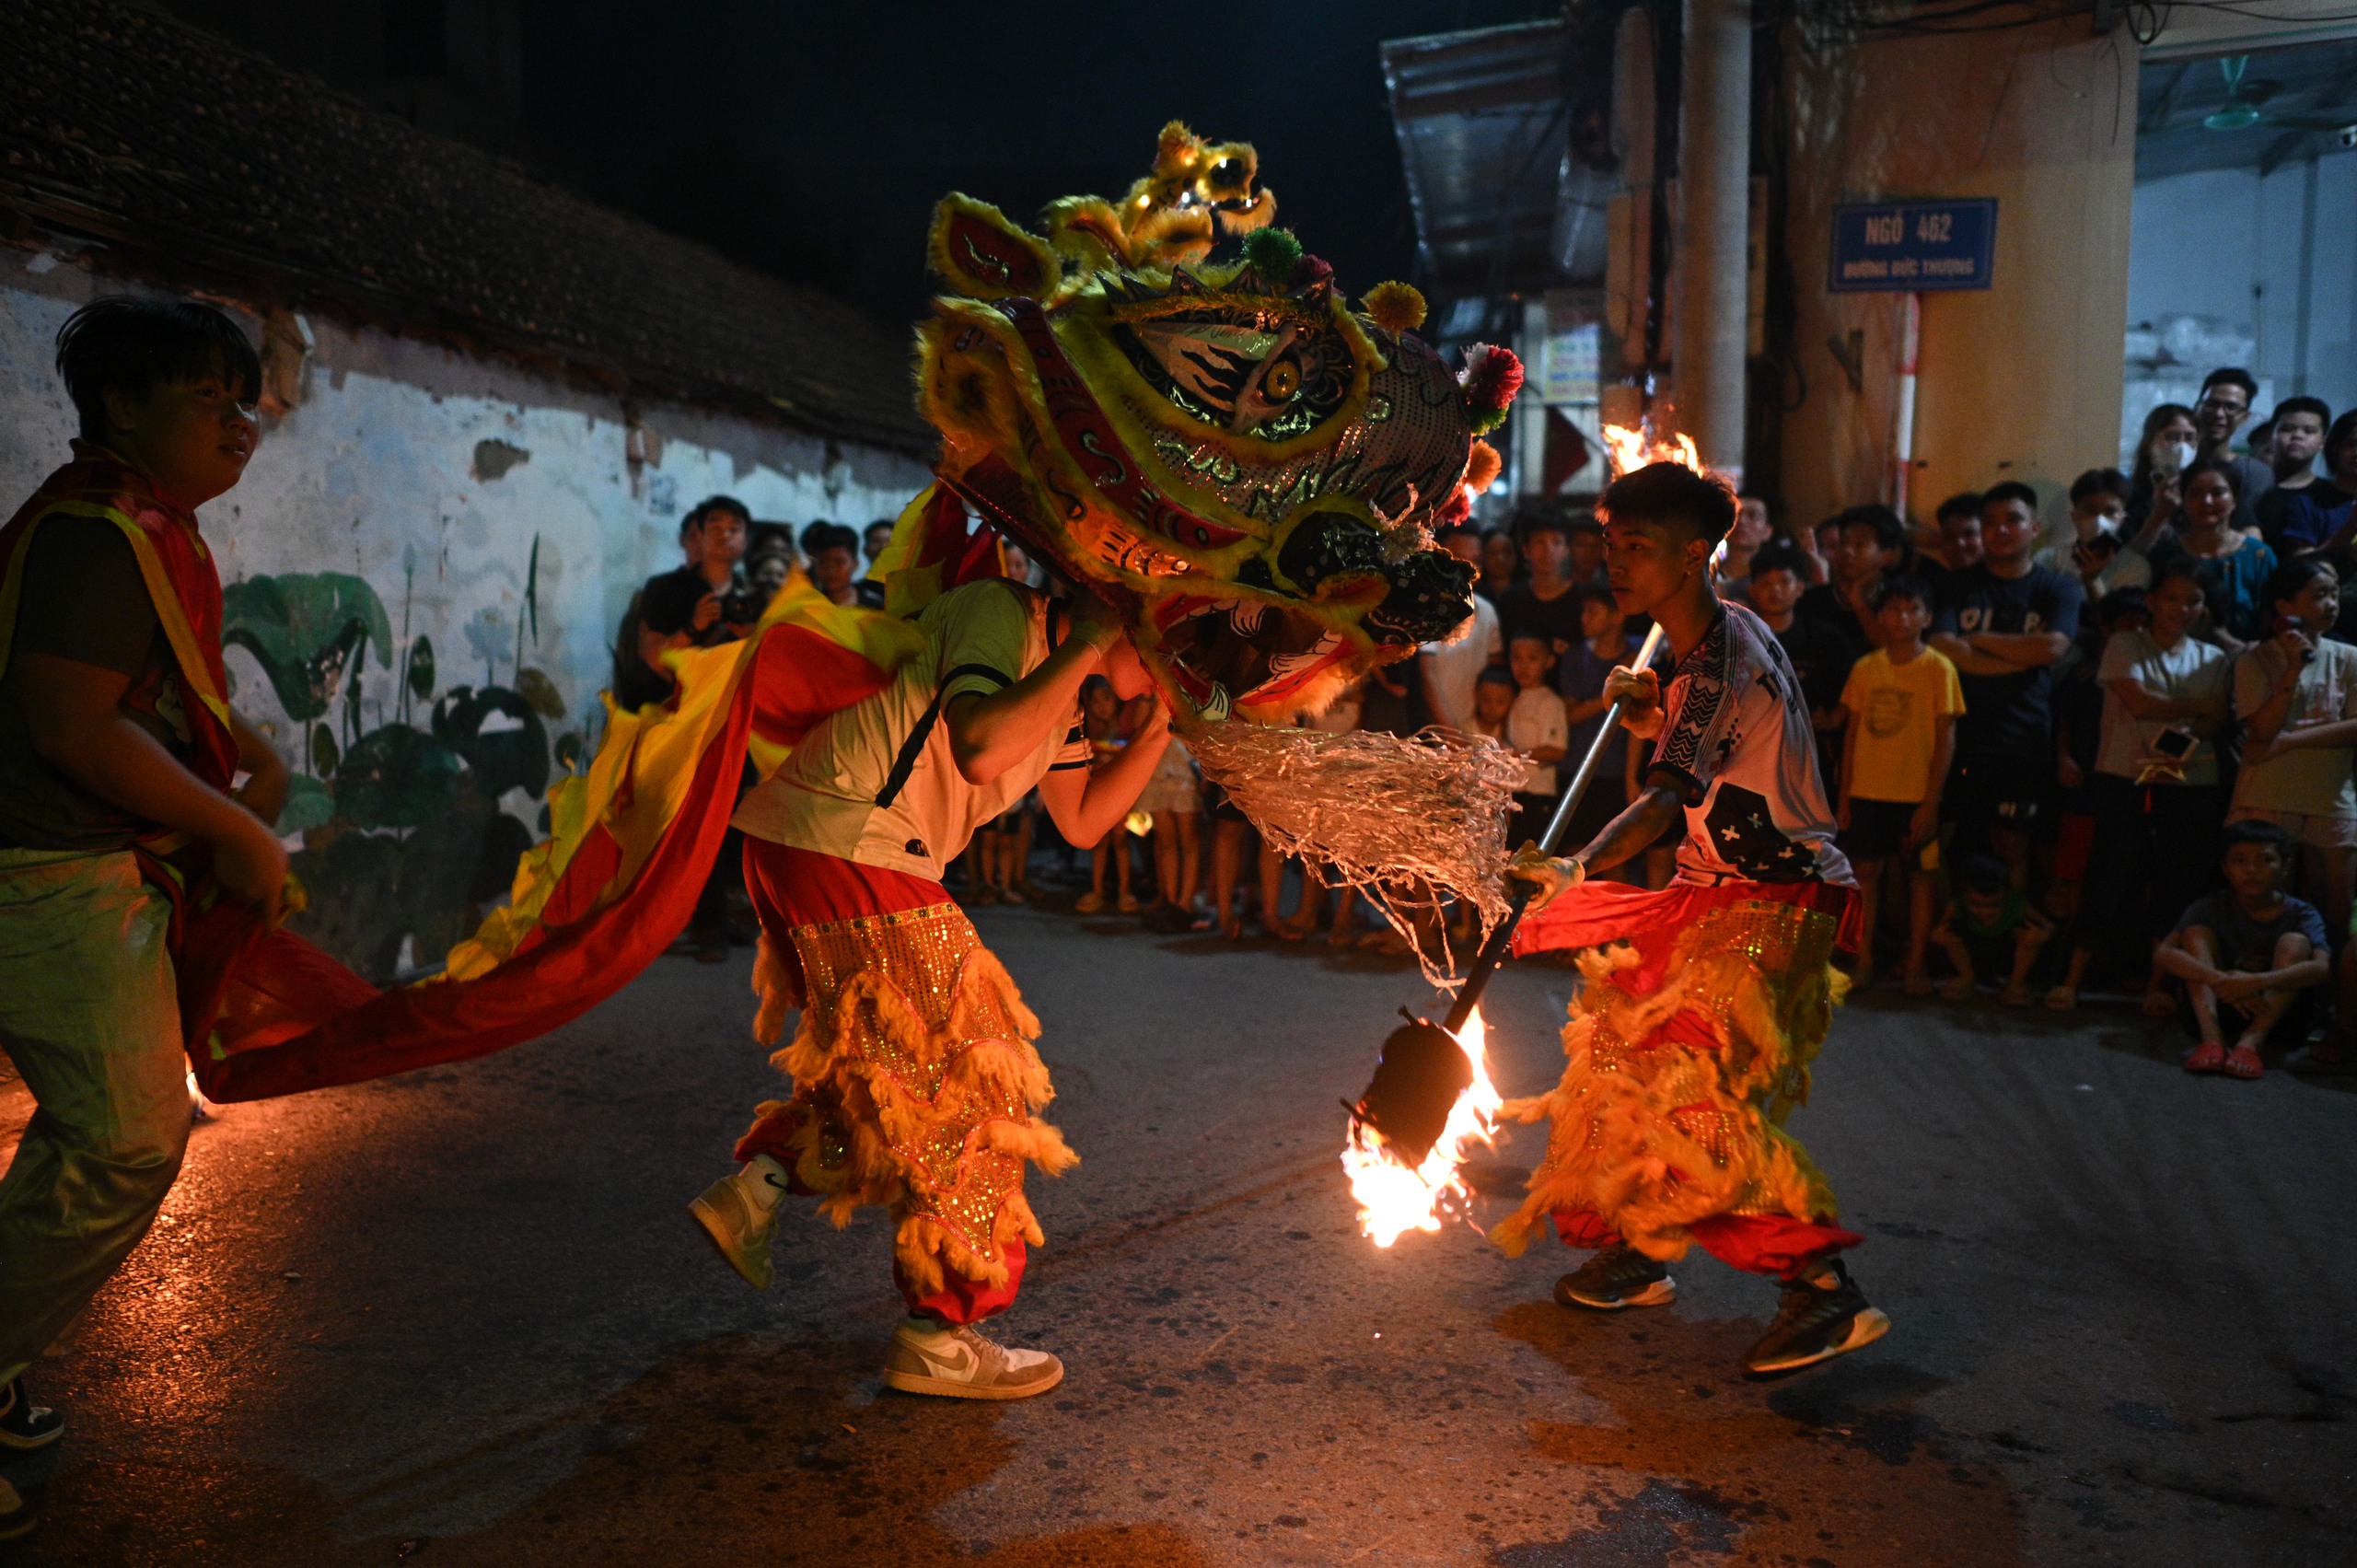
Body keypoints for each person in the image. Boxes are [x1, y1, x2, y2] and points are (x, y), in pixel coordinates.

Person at [690, 572, 1171, 1400]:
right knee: (976, 1091)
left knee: (890, 1077)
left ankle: (757, 1188)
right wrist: (1090, 639)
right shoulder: (1001, 612)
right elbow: (978, 741)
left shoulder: (1066, 690)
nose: (1178, 669)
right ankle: (942, 1334)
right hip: (854, 840)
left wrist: (1163, 728)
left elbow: (1085, 821)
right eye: (1175, 645)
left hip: (818, 843)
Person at [1496, 462, 1886, 1382]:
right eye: (1609, 546)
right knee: (1609, 1061)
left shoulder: (1714, 659)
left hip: (1766, 903)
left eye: (1635, 549)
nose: (1614, 565)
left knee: (1693, 1097)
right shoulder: (1702, 634)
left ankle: (1821, 1287)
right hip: (1706, 892)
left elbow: (1668, 797)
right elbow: (1687, 740)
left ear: (1693, 553)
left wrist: (1575, 866)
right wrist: (1642, 707)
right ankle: (1640, 1245)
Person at [0, 298, 295, 1508]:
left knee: (109, 1132)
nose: (245, 420)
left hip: (78, 860)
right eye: (210, 398)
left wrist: (243, 766)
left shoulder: (149, 528)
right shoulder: (96, 533)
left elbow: (138, 702)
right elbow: (71, 721)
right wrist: (229, 823)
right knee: (124, 1139)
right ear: (120, 406)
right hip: (40, 866)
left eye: (248, 399)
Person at [2043, 565, 2229, 1012]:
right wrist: (2196, 706)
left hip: (2187, 780)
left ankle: (2158, 984)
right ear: (2151, 602)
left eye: (2193, 601)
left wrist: (2188, 731)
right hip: (2124, 774)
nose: (2182, 609)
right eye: (2172, 598)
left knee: (2175, 878)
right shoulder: (2125, 644)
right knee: (2108, 871)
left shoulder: (2214, 657)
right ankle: (2072, 978)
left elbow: (2217, 719)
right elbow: (2140, 701)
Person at [1930, 481, 2083, 889]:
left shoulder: (2058, 587)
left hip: (2022, 740)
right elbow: (1944, 649)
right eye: (1991, 522)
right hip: (1955, 736)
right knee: (1942, 844)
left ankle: (2011, 942)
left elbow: (2053, 647)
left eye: (2013, 520)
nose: (2001, 530)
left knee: (2014, 846)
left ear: (2034, 529)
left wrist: (1979, 641)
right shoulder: (1955, 585)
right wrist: (2021, 658)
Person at [1836, 575, 1961, 993]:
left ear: (1927, 616)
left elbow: (1946, 737)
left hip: (1914, 796)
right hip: (1868, 791)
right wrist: (1844, 796)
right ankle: (1865, 960)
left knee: (1920, 880)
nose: (1901, 618)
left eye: (1912, 609)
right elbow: (1851, 736)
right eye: (1892, 609)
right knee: (1866, 874)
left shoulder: (1939, 669)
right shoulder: (1866, 667)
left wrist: (1932, 801)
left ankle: (1915, 966)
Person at [2227, 557, 2357, 941]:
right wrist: (2292, 672)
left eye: (2334, 595)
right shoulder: (2254, 660)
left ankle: (2329, 992)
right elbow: (2262, 729)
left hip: (2331, 793)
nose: (2331, 604)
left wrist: (2290, 741)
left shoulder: (2350, 659)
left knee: (2335, 904)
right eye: (2319, 596)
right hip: (2269, 791)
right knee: (2263, 902)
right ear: (2284, 607)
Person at [2157, 820, 2329, 1079]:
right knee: (2194, 933)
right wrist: (2220, 980)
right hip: (2219, 1008)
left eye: (2265, 860)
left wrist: (2255, 982)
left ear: (2285, 867)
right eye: (2240, 861)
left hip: (2276, 1017)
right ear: (2225, 868)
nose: (2252, 870)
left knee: (2295, 942)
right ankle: (2211, 1040)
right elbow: (2164, 953)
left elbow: (2321, 967)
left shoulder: (2301, 913)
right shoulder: (2211, 905)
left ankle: (2252, 1042)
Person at [1556, 587, 1655, 878]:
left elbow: (1637, 720)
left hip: (1613, 770)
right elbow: (1570, 714)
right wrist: (1611, 695)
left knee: (1613, 854)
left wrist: (1630, 777)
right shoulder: (1576, 657)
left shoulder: (1638, 655)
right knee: (1571, 852)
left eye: (1593, 611)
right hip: (1576, 765)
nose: (1584, 618)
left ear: (1617, 616)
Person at [1747, 544, 1851, 792]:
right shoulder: (1742, 639)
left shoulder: (1826, 639)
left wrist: (1835, 717)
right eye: (1766, 583)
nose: (1776, 591)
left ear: (1800, 588)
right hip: (1754, 755)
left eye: (1785, 582)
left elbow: (1855, 684)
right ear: (1752, 590)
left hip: (1813, 753)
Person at [2148, 460, 2274, 651]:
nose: (2206, 501)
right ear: (2183, 500)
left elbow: (2271, 621)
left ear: (2235, 499)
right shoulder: (2166, 555)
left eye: (2218, 493)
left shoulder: (2259, 555)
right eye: (2196, 493)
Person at [1932, 853, 2055, 1004]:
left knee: (2031, 933)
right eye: (1976, 904)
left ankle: (2015, 982)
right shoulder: (1957, 905)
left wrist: (2043, 936)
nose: (1985, 912)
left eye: (1993, 905)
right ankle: (1967, 977)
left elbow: (2048, 925)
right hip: (1974, 956)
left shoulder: (2017, 905)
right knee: (1949, 931)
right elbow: (1938, 931)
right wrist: (1939, 936)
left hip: (2006, 957)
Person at [1418, 522, 1504, 733]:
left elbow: (1493, 675)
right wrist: (1451, 733)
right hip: (1433, 730)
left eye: (1474, 561)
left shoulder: (1487, 611)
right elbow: (1427, 676)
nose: (1467, 569)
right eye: (1458, 559)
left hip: (1474, 729)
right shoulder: (1428, 606)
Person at [1798, 504, 1906, 662]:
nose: (1847, 551)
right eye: (1843, 543)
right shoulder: (1811, 601)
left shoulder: (1897, 601)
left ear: (1885, 556)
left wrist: (1859, 603)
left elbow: (1899, 654)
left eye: (1859, 545)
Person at [1075, 674, 1141, 914]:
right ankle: (1097, 890)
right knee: (1099, 842)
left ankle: (1125, 891)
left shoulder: (1128, 726)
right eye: (1095, 701)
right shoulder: (1087, 727)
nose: (1101, 706)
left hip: (1121, 793)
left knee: (1121, 841)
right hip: (1096, 791)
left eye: (1106, 699)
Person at [2039, 469, 2147, 602]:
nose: (2099, 520)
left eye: (2110, 512)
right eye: (2090, 510)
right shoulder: (2049, 560)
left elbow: (2119, 621)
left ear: (2122, 518)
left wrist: (2092, 581)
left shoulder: (2135, 567)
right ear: (2074, 515)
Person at [1504, 634, 1568, 849]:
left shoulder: (1550, 701)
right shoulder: (1514, 697)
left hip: (1537, 795)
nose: (1523, 666)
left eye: (1532, 658)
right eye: (1517, 658)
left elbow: (1557, 750)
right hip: (1514, 793)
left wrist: (1512, 756)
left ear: (1549, 661)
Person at [1136, 731, 1202, 929]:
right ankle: (1171, 901)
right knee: (1165, 841)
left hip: (1185, 767)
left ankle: (1185, 901)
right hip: (1158, 768)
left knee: (1188, 840)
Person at [2254, 398, 2337, 553]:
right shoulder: (2253, 489)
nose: (2297, 435)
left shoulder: (2330, 497)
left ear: (2323, 442)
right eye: (2287, 429)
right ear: (2272, 436)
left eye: (2309, 431)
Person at [1500, 513, 1585, 652]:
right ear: (1526, 550)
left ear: (1566, 550)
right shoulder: (1512, 600)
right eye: (1540, 542)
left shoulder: (1581, 600)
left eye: (1557, 542)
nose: (1548, 550)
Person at [2191, 368, 2273, 512]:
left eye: (2231, 407)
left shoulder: (2256, 474)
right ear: (2199, 407)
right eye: (2212, 404)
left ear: (2245, 417)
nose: (2219, 414)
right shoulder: (2180, 464)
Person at [2124, 401, 2200, 546]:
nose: (2182, 447)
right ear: (2148, 444)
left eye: (2190, 438)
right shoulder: (2130, 497)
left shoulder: (2203, 496)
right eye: (2172, 437)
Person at [799, 519, 863, 608]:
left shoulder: (876, 607)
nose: (831, 570)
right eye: (823, 562)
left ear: (855, 564)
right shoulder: (808, 608)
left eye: (839, 562)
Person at [1478, 527, 1520, 606]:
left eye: (1507, 552)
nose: (1501, 559)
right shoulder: (1476, 595)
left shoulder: (1525, 594)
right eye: (1492, 553)